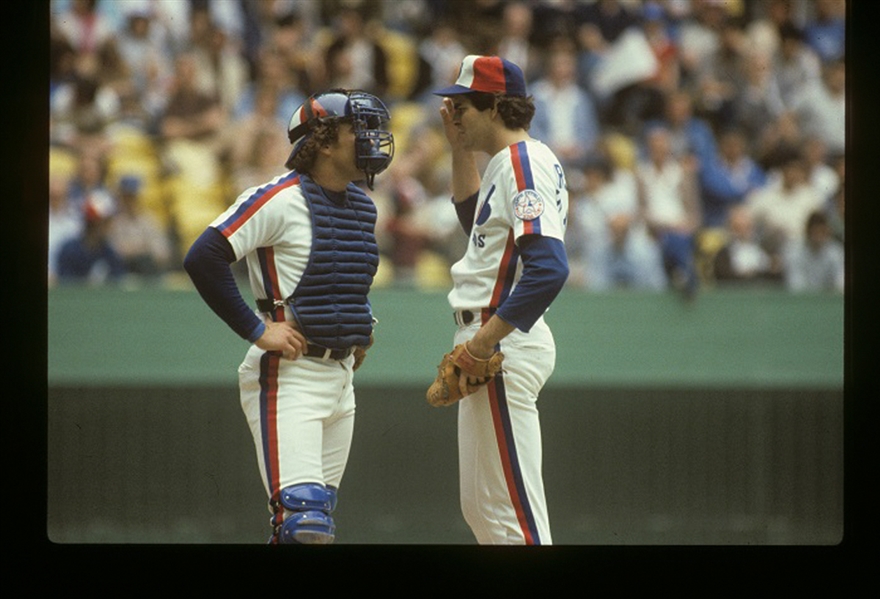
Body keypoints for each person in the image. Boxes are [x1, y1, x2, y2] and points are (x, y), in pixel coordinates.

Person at [183, 89, 394, 544]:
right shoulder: (278, 198)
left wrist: (359, 327)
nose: (370, 138)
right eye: (356, 128)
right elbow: (204, 256)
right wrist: (258, 330)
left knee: (316, 527)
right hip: (290, 378)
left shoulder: (362, 206)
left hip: (341, 381)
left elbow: (344, 275)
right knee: (304, 524)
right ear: (320, 140)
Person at [432, 55, 570, 545]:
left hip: (500, 341)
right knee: (485, 511)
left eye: (462, 107)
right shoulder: (507, 163)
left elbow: (549, 268)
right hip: (494, 336)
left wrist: (483, 346)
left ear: (493, 106)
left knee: (512, 518)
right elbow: (480, 231)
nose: (453, 116)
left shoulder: (522, 163)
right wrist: (457, 151)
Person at [783, 210, 844, 293]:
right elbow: (796, 285)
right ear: (808, 232)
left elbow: (840, 283)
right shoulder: (794, 252)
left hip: (828, 300)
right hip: (802, 301)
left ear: (827, 232)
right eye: (815, 232)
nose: (818, 236)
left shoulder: (835, 253)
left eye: (822, 232)